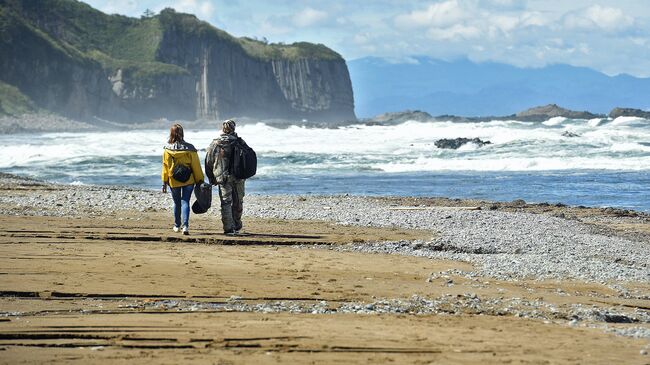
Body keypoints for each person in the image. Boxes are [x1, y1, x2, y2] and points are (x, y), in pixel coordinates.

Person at [161, 123, 204, 235]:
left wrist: (164, 182)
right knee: (185, 201)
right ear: (182, 133)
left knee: (176, 203)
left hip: (173, 180)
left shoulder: (167, 150)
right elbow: (196, 166)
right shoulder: (190, 149)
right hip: (188, 180)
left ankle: (176, 225)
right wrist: (200, 180)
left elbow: (165, 167)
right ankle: (185, 226)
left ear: (171, 134)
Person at [205, 119, 246, 235]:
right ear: (234, 128)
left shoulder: (215, 143)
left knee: (226, 202)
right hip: (238, 177)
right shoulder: (240, 142)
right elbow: (248, 158)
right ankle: (237, 225)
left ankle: (228, 228)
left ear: (222, 129)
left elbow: (208, 161)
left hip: (221, 177)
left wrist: (210, 177)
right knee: (238, 201)